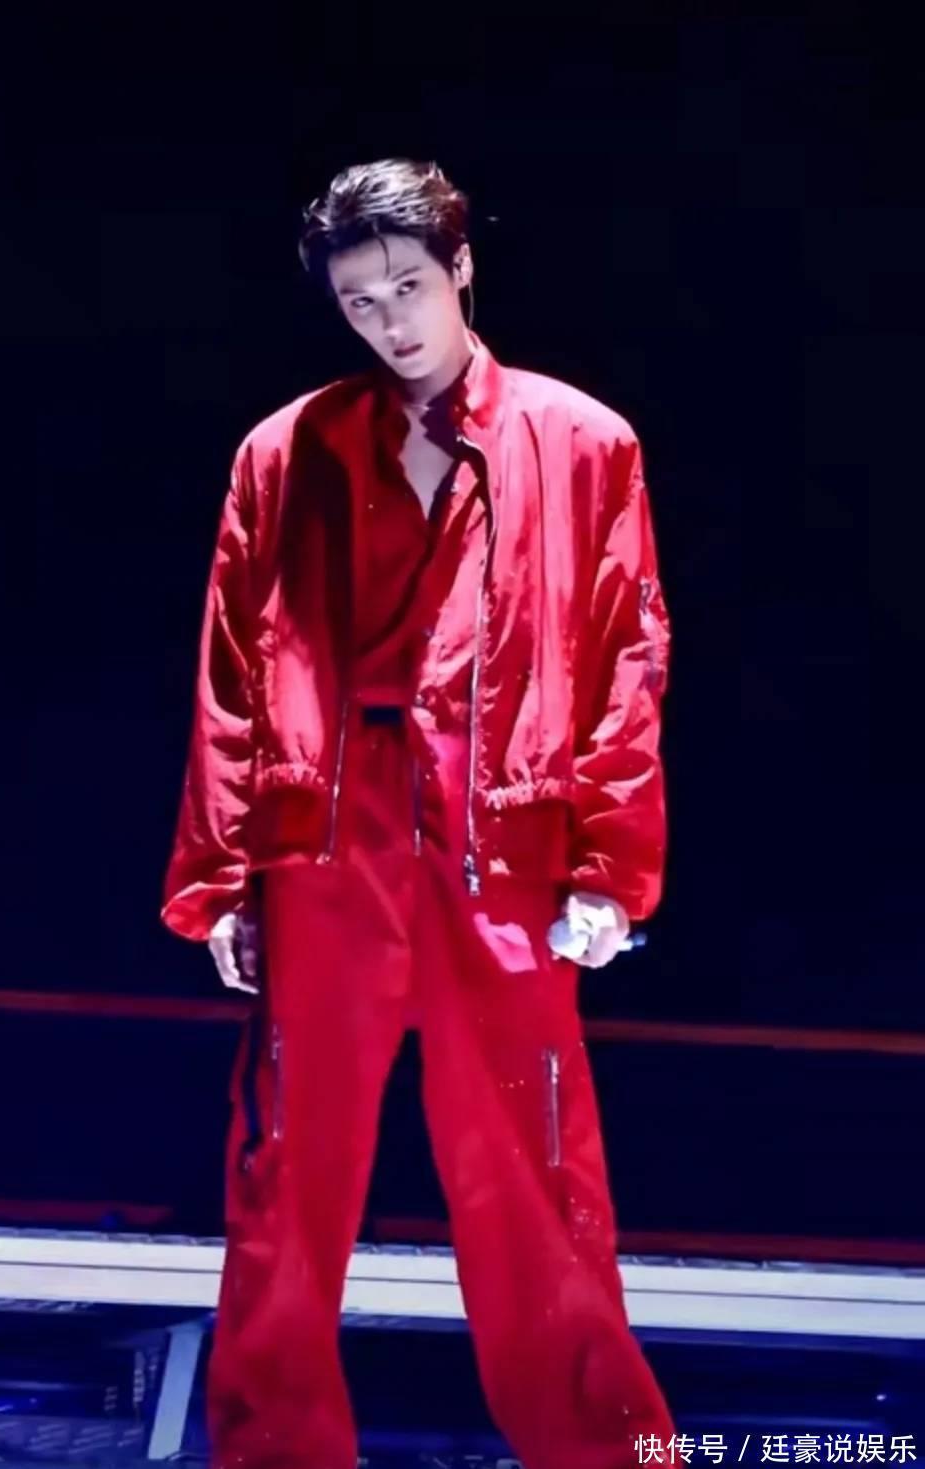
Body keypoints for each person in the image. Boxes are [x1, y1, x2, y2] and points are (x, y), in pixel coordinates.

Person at [161, 157, 674, 1469]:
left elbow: (624, 653)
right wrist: (222, 873)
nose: (390, 321)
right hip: (326, 839)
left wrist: (609, 864)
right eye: (359, 300)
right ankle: (275, 1454)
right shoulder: (285, 452)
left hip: (500, 832)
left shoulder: (583, 442)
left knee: (537, 1176)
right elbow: (233, 665)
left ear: (461, 270)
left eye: (407, 287)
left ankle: (609, 1454)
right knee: (286, 1179)